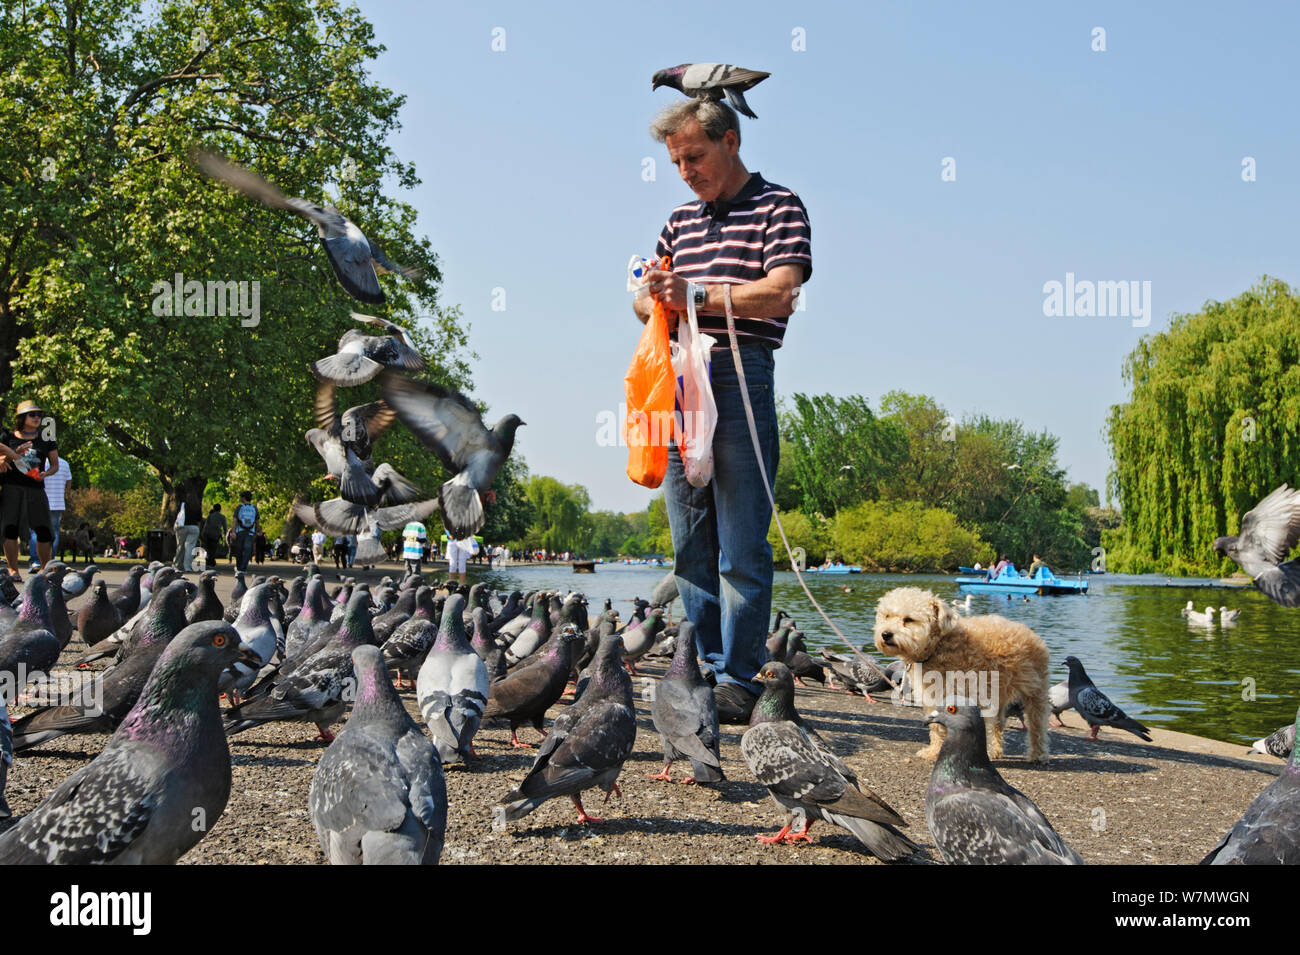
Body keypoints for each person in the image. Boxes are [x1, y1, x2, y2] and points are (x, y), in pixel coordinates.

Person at [636, 97, 811, 724]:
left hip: (740, 376)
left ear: (730, 142)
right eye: (677, 160)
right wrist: (654, 294)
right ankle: (703, 666)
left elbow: (782, 293)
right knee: (689, 539)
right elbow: (642, 302)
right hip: (679, 380)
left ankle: (741, 677)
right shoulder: (679, 221)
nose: (685, 171)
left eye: (695, 156)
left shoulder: (779, 206)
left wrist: (695, 293)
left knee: (741, 541)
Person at [0, 400, 59, 578]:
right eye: (32, 415)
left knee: (44, 530)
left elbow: (55, 465)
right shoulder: (7, 437)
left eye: (39, 415)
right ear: (22, 417)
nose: (37, 418)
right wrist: (11, 455)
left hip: (36, 489)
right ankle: (13, 569)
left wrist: (47, 473)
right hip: (12, 488)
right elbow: (2, 461)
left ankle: (45, 569)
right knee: (9, 529)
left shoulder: (46, 438)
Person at [31, 454, 70, 564]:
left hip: (41, 502)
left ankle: (36, 561)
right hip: (57, 503)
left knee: (36, 532)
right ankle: (50, 560)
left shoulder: (40, 462)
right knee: (54, 533)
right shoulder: (65, 464)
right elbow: (68, 485)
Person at [232, 491, 258, 572]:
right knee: (247, 550)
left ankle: (239, 567)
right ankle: (243, 568)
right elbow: (257, 521)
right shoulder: (254, 508)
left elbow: (235, 520)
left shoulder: (240, 507)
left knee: (239, 550)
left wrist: (233, 531)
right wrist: (255, 532)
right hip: (250, 532)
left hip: (240, 531)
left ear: (243, 498)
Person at [173, 500, 200, 573]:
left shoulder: (181, 504)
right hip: (194, 527)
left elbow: (176, 515)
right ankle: (187, 567)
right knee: (190, 548)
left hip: (182, 527)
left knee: (180, 546)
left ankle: (177, 565)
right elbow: (199, 518)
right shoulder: (196, 505)